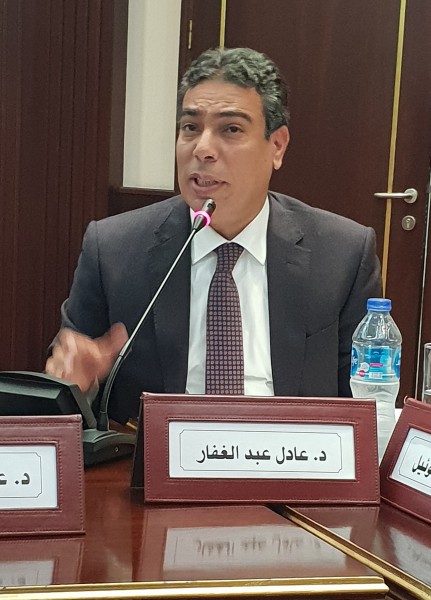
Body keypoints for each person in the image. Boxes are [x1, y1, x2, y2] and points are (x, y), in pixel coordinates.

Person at [45, 47, 381, 425]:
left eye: (230, 129)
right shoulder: (113, 249)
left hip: (292, 454)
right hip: (156, 457)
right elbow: (67, 394)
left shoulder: (342, 254)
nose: (203, 149)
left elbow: (365, 402)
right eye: (190, 127)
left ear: (277, 146)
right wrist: (80, 383)